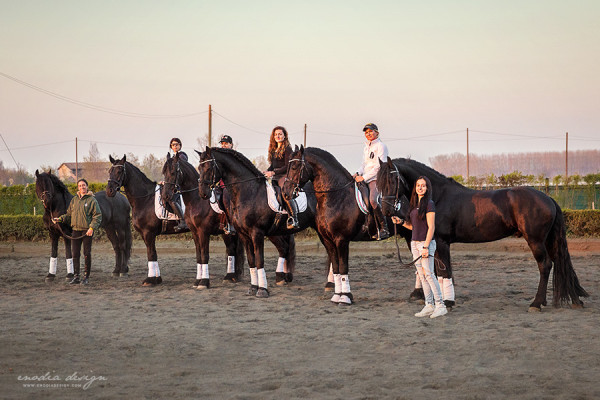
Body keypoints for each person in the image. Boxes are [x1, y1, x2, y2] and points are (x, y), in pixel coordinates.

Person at [392, 176, 447, 319]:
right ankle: (429, 305)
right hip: (415, 243)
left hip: (425, 244)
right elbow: (413, 226)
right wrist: (401, 222)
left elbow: (431, 227)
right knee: (422, 275)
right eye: (418, 185)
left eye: (423, 185)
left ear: (427, 188)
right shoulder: (414, 205)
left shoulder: (429, 204)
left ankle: (440, 305)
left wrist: (426, 247)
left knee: (429, 274)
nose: (420, 188)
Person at [53, 178, 102, 285]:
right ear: (78, 188)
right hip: (75, 231)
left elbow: (97, 216)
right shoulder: (74, 200)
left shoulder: (92, 200)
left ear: (87, 186)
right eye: (80, 186)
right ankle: (76, 276)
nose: (82, 187)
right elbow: (69, 215)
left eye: (83, 185)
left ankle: (86, 276)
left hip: (87, 232)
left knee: (86, 254)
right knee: (75, 254)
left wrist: (92, 228)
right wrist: (60, 219)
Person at [353, 123, 390, 240]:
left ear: (377, 132)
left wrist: (364, 178)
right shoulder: (366, 147)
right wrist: (358, 173)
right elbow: (364, 164)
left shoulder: (381, 146)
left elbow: (380, 166)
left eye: (370, 131)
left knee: (373, 200)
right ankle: (368, 225)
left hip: (376, 178)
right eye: (366, 132)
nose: (368, 134)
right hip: (365, 177)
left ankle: (385, 228)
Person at [263, 126, 299, 229]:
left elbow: (287, 166)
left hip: (284, 176)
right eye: (276, 134)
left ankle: (293, 218)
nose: (278, 136)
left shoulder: (287, 149)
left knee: (284, 192)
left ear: (284, 136)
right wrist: (266, 171)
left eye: (280, 134)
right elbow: (273, 165)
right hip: (275, 176)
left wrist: (273, 172)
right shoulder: (274, 150)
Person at [167, 137, 188, 232]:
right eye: (173, 145)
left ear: (180, 145)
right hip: (173, 183)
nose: (175, 146)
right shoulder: (171, 157)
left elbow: (178, 171)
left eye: (177, 144)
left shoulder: (182, 156)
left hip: (182, 183)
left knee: (172, 200)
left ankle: (183, 221)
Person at [217, 135, 235, 234]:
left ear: (231, 145)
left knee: (226, 198)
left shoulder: (234, 156)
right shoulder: (219, 157)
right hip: (220, 184)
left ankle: (231, 224)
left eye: (226, 143)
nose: (224, 146)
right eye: (222, 144)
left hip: (231, 184)